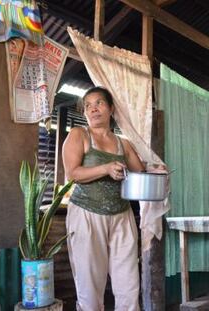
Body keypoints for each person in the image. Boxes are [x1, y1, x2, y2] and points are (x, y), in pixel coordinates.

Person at [63, 86, 145, 311]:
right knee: (90, 283)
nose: (93, 109)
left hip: (121, 215)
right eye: (88, 105)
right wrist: (106, 168)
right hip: (87, 215)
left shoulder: (123, 143)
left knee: (128, 282)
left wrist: (155, 168)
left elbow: (140, 173)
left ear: (110, 108)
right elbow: (73, 174)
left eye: (98, 103)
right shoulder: (79, 135)